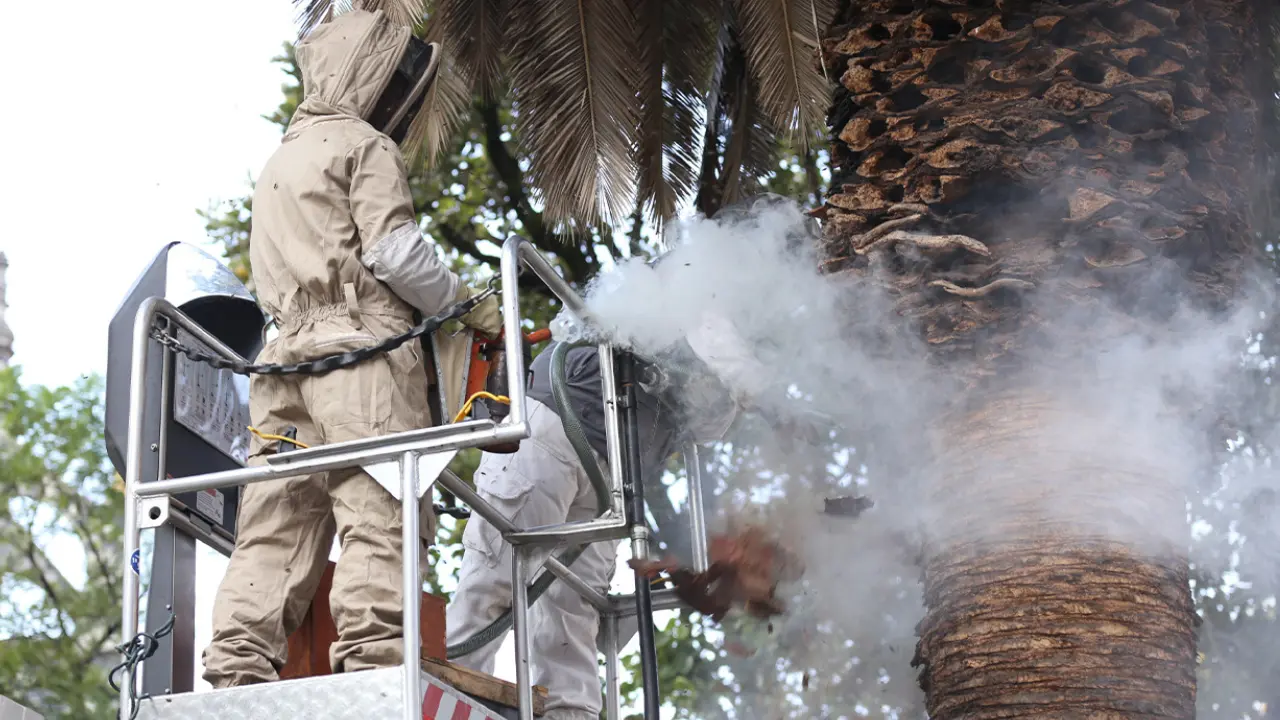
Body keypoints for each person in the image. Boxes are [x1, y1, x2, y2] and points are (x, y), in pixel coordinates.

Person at [201, 9, 502, 687]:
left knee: (276, 524)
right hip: (359, 359)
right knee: (379, 507)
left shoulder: (280, 160)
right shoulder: (365, 146)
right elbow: (395, 253)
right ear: (371, 75)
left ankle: (235, 670)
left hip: (282, 365)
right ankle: (378, 666)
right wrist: (464, 300)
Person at [445, 310, 769, 720]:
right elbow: (724, 350)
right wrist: (778, 407)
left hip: (613, 473)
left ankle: (570, 712)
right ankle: (449, 689)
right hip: (552, 429)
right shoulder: (689, 286)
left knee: (574, 606)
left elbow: (709, 425)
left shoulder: (742, 340)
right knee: (496, 573)